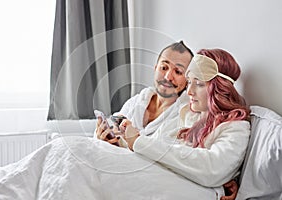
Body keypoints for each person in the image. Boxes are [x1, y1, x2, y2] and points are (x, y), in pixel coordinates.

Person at [96, 43, 240, 199]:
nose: (167, 77)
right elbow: (162, 153)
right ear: (155, 67)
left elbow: (207, 165)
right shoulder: (137, 102)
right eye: (164, 68)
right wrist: (104, 139)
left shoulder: (188, 112)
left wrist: (227, 179)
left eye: (178, 72)